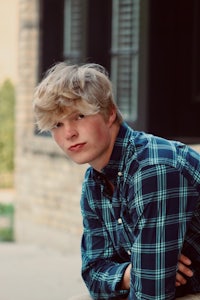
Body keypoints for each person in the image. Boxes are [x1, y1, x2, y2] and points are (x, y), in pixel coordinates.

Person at [33, 62, 200, 300]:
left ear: (109, 113)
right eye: (57, 124)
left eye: (79, 116)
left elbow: (152, 294)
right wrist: (131, 274)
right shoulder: (95, 181)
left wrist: (144, 274)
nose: (68, 133)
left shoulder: (153, 170)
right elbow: (93, 274)